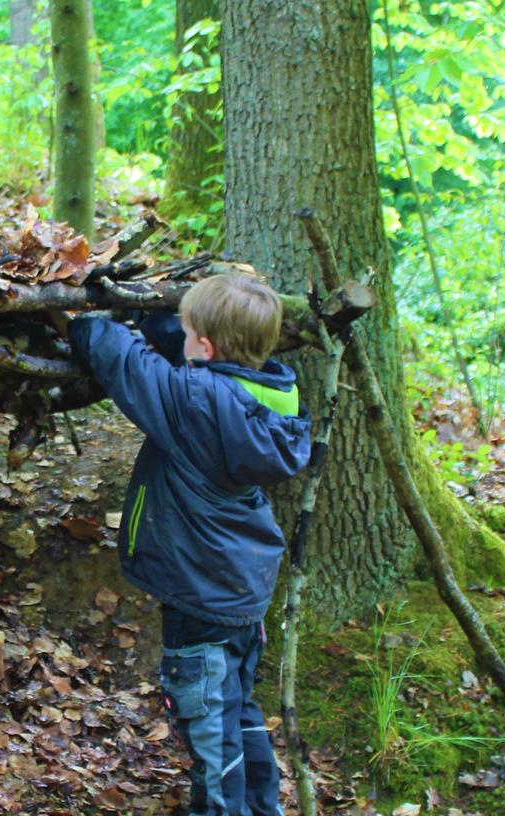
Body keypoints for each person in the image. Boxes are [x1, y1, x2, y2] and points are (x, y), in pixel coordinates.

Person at [65, 273, 312, 816]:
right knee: (236, 711)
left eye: (188, 331)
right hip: (239, 594)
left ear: (205, 347)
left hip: (200, 598)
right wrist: (163, 324)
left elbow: (127, 363)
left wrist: (86, 325)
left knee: (209, 732)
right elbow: (189, 362)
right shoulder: (271, 396)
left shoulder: (194, 400)